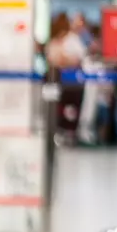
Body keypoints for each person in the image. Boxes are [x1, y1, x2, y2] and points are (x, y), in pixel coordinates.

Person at [45, 13, 87, 143]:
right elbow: (56, 60)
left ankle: (66, 132)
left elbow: (74, 59)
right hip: (57, 81)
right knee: (58, 108)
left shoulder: (69, 40)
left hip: (68, 83)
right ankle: (59, 132)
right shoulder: (56, 43)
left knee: (68, 108)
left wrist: (64, 60)